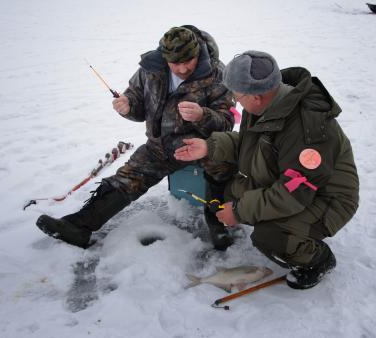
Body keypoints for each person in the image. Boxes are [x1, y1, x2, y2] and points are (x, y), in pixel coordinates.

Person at [36, 26, 235, 250]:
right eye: (174, 63)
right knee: (126, 179)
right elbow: (136, 100)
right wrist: (127, 106)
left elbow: (227, 121)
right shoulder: (150, 70)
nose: (182, 68)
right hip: (159, 147)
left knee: (223, 165)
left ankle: (218, 224)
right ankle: (78, 226)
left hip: (201, 146)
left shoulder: (218, 74)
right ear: (164, 57)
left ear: (197, 52)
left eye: (188, 61)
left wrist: (202, 115)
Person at [174, 50, 360, 289]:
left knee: (270, 237)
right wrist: (209, 147)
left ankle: (317, 260)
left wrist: (240, 211)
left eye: (237, 97)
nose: (235, 101)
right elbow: (249, 145)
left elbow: (293, 193)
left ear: (257, 96)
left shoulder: (308, 131)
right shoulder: (266, 105)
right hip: (288, 182)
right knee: (225, 193)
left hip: (325, 197)